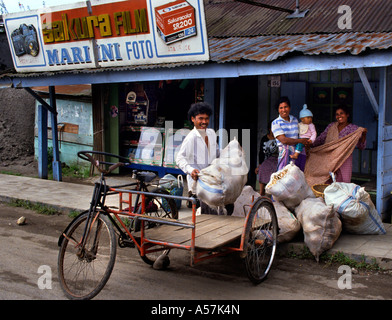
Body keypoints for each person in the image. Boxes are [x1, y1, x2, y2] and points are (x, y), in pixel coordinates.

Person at [176, 102, 234, 215]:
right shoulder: (191, 138)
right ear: (193, 119)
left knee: (223, 207)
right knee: (204, 214)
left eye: (206, 119)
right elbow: (180, 158)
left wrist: (229, 155)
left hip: (213, 179)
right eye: (200, 118)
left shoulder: (211, 133)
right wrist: (190, 170)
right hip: (199, 182)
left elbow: (217, 152)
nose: (204, 122)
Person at [304, 104, 367, 186]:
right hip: (329, 159)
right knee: (326, 180)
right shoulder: (331, 126)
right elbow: (321, 138)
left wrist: (364, 135)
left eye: (342, 113)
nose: (339, 116)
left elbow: (361, 146)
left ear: (347, 115)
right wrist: (311, 144)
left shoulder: (354, 129)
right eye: (337, 114)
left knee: (344, 182)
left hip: (344, 158)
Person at [271, 97, 311, 171]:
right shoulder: (275, 123)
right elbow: (284, 140)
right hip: (285, 152)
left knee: (297, 174)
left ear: (289, 107)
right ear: (278, 110)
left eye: (285, 107)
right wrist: (300, 141)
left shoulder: (295, 119)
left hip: (297, 151)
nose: (283, 110)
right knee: (284, 175)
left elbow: (300, 135)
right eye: (281, 108)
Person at [289, 104, 317, 171]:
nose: (310, 119)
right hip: (300, 139)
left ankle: (296, 154)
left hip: (306, 139)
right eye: (308, 118)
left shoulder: (311, 125)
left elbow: (314, 133)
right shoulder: (299, 125)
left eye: (311, 118)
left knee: (299, 143)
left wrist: (311, 140)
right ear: (302, 119)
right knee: (296, 143)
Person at [255, 121, 278, 195]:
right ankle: (261, 192)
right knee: (262, 169)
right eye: (272, 128)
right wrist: (259, 165)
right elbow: (261, 152)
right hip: (267, 160)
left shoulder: (280, 138)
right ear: (269, 129)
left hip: (278, 159)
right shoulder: (264, 138)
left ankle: (274, 192)